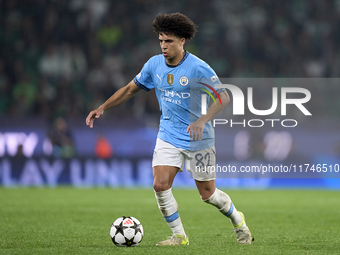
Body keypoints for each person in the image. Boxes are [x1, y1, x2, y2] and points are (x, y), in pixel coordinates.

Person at [86, 12, 253, 246]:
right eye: (161, 41)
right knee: (159, 184)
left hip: (199, 138)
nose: (164, 46)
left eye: (169, 41)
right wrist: (103, 107)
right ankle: (179, 236)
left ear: (182, 41)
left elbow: (223, 97)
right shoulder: (153, 65)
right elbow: (129, 89)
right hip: (168, 134)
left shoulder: (198, 68)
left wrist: (202, 120)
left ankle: (238, 221)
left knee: (208, 195)